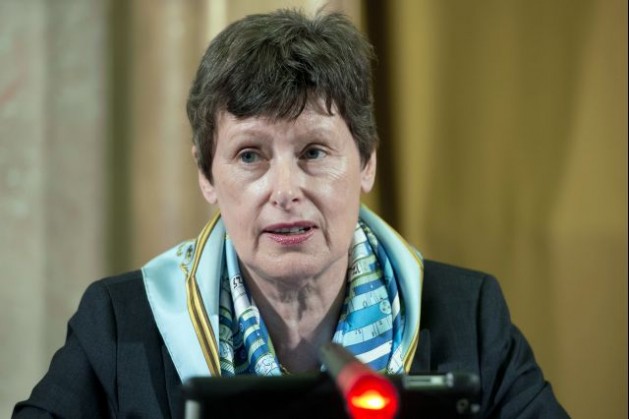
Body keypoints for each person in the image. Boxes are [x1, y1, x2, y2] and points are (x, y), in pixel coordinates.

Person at [13, 8, 568, 418]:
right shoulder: (120, 322)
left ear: (368, 163)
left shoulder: (467, 314)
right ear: (207, 175)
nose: (285, 190)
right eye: (250, 155)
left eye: (314, 152)